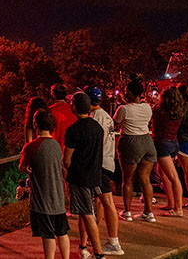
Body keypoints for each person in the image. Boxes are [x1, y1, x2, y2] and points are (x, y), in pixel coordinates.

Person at [21, 108, 70, 259]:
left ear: (35, 124)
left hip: (42, 200)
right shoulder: (56, 145)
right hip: (58, 198)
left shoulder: (31, 147)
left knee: (48, 234)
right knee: (62, 232)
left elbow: (23, 166)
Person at [64, 92, 105, 259]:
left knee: (87, 214)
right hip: (95, 175)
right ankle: (83, 246)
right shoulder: (97, 128)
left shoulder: (73, 130)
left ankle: (99, 253)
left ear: (73, 107)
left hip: (80, 177)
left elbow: (66, 159)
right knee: (85, 211)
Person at [86, 87, 123, 256]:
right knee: (101, 202)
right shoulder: (106, 116)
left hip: (100, 164)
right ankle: (100, 235)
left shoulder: (95, 119)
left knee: (107, 202)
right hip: (108, 160)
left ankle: (114, 242)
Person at [113, 76, 156, 222]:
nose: (125, 94)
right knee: (145, 179)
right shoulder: (147, 107)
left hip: (130, 141)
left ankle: (127, 211)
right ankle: (148, 212)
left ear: (131, 92)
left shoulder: (123, 109)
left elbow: (115, 123)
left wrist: (121, 104)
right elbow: (135, 109)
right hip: (147, 141)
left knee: (128, 179)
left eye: (127, 92)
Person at [151, 86, 185, 217]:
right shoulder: (178, 112)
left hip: (162, 143)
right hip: (173, 142)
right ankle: (171, 203)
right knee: (163, 173)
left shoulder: (160, 111)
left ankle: (178, 209)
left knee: (173, 177)